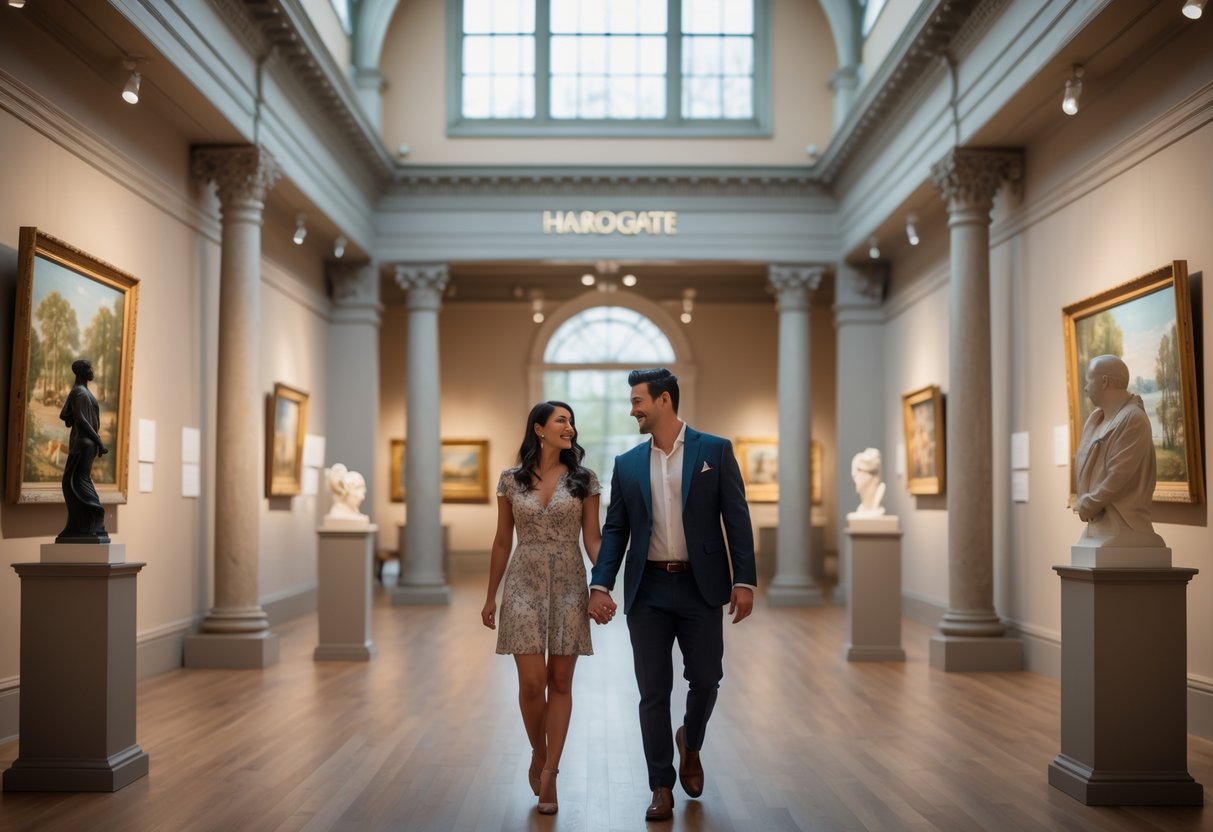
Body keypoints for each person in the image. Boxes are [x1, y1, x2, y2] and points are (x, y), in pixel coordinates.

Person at [586, 368, 756, 822]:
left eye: (638, 400)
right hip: (649, 590)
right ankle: (661, 785)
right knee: (653, 692)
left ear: (664, 401)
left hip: (702, 589)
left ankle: (691, 741)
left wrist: (745, 580)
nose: (632, 409)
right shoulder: (626, 464)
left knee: (706, 679)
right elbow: (616, 529)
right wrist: (599, 584)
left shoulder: (714, 451)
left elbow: (736, 518)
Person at [482, 401, 602, 815]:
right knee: (532, 684)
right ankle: (539, 750)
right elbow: (502, 540)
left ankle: (550, 773)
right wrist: (490, 595)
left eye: (571, 421)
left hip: (570, 582)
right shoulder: (510, 481)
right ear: (539, 429)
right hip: (523, 583)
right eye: (561, 420)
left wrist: (603, 582)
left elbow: (593, 539)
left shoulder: (584, 480)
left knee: (561, 681)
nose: (570, 427)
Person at [1073, 354, 1164, 547]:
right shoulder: (1096, 419)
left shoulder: (1133, 419)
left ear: (1104, 381)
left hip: (1125, 524)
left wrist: (1089, 504)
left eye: (1089, 380)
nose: (1085, 387)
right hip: (1098, 527)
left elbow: (1118, 477)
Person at [57, 358, 109, 544]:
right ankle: (89, 521)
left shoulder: (79, 392)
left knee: (76, 480)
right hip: (85, 442)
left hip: (84, 443)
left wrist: (96, 441)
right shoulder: (80, 392)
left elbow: (67, 415)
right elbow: (78, 418)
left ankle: (92, 520)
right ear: (82, 372)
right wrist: (98, 441)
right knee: (76, 480)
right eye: (90, 368)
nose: (92, 370)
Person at [849, 447, 886, 516]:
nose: (855, 479)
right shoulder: (862, 508)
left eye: (858, 472)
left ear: (869, 474)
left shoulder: (879, 494)